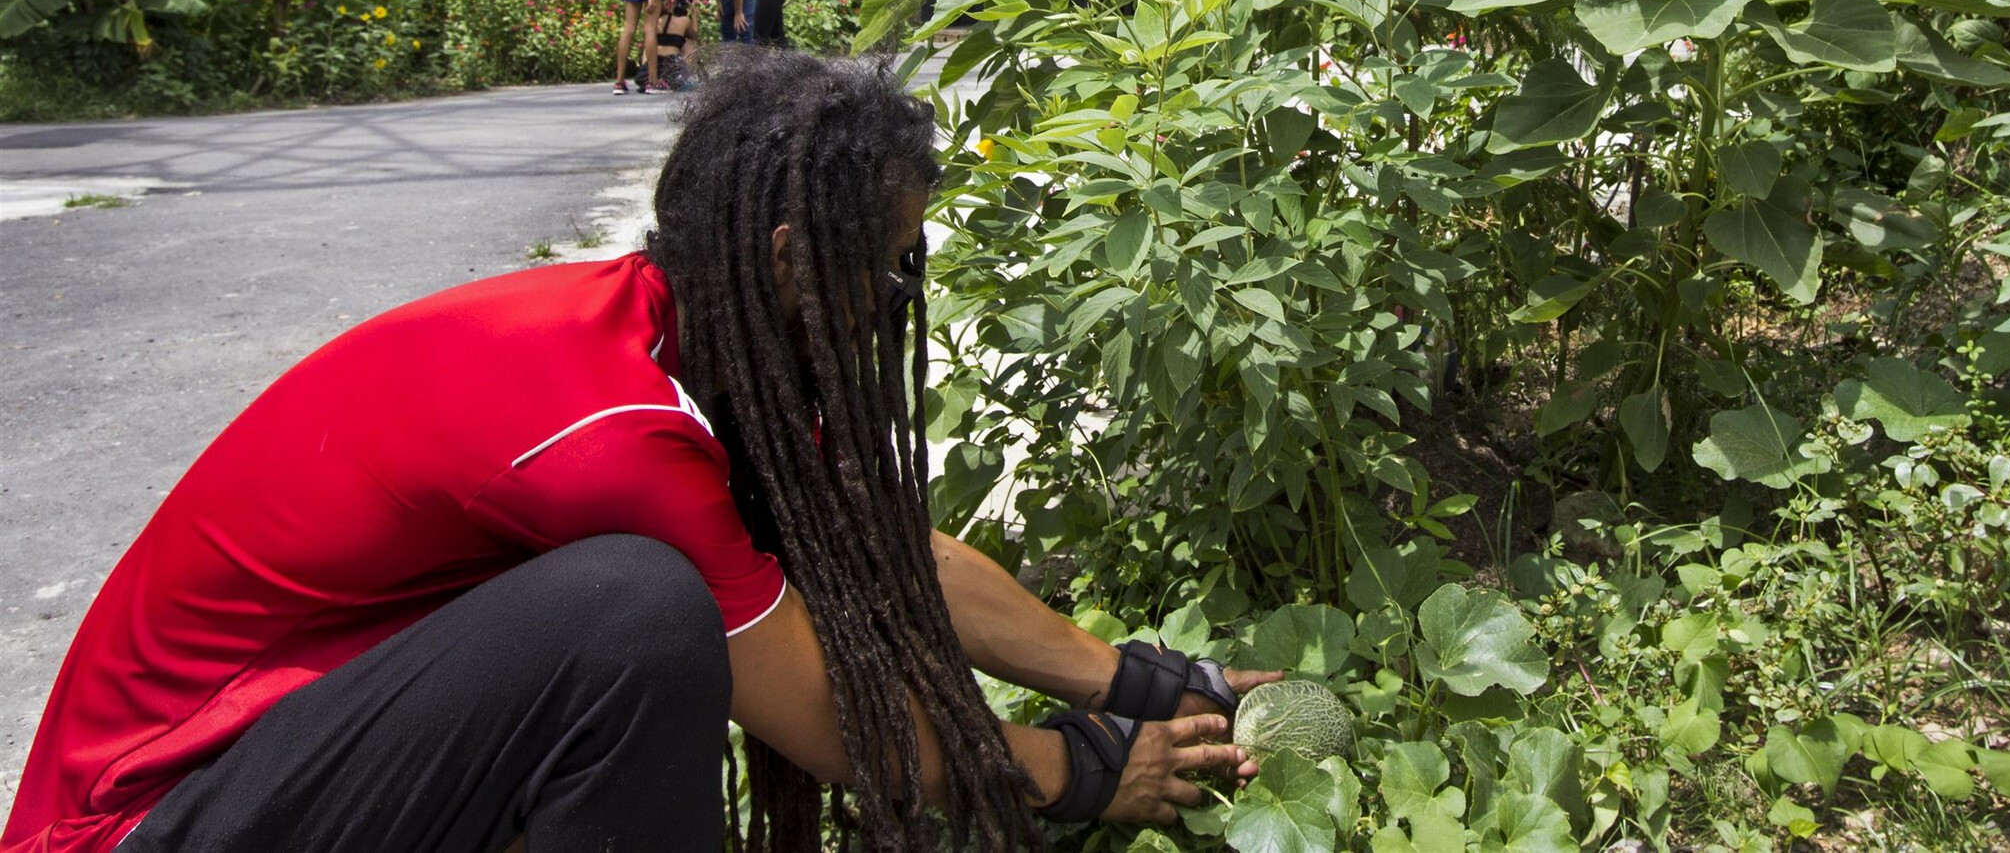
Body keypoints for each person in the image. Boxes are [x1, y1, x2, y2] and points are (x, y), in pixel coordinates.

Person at [6, 53, 1273, 853]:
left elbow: (889, 556)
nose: (899, 299)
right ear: (789, 260)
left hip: (311, 769)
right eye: (889, 269)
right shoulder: (612, 429)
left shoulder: (698, 335)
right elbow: (838, 727)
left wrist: (1148, 686)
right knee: (636, 617)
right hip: (150, 824)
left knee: (647, 611)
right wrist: (1076, 777)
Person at [655, 0, 703, 89]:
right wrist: (694, 14)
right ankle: (686, 76)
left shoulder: (653, 22)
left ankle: (654, 80)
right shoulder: (683, 21)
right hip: (672, 63)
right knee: (690, 42)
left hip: (653, 65)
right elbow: (694, 36)